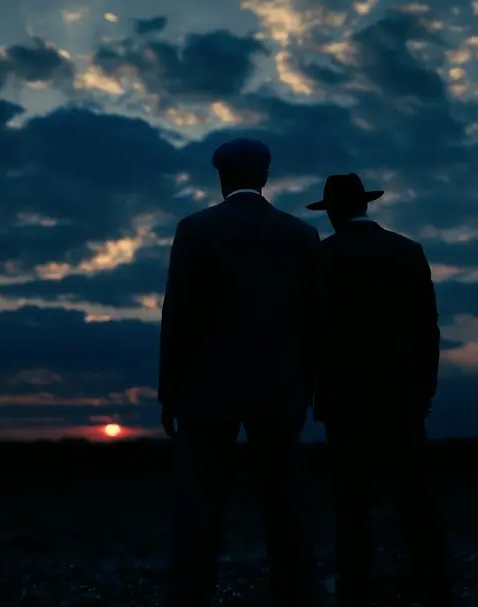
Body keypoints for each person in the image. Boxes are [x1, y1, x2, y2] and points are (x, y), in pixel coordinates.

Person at [158, 138, 321, 607]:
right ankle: (297, 597)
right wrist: (306, 384)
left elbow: (178, 315)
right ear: (264, 176)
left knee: (199, 506)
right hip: (280, 388)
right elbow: (314, 318)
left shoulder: (196, 229)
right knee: (285, 504)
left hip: (206, 389)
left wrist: (170, 391)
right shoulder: (301, 234)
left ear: (221, 177)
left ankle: (190, 598)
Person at [307, 173, 452, 607]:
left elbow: (310, 329)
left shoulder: (321, 257)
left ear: (331, 212)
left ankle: (354, 589)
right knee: (415, 498)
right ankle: (435, 586)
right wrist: (425, 386)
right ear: (365, 205)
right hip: (402, 392)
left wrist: (313, 386)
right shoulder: (407, 251)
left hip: (344, 395)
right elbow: (428, 327)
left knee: (351, 502)